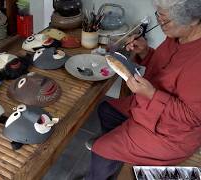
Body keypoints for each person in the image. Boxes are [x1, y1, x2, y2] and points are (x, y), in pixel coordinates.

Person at [86, 0, 201, 179]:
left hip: (169, 134)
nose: (161, 24)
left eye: (166, 20)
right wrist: (145, 52)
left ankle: (109, 159)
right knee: (106, 109)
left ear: (193, 20)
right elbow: (165, 71)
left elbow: (192, 117)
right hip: (146, 109)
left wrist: (151, 94)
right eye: (159, 16)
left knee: (101, 149)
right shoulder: (177, 36)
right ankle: (118, 156)